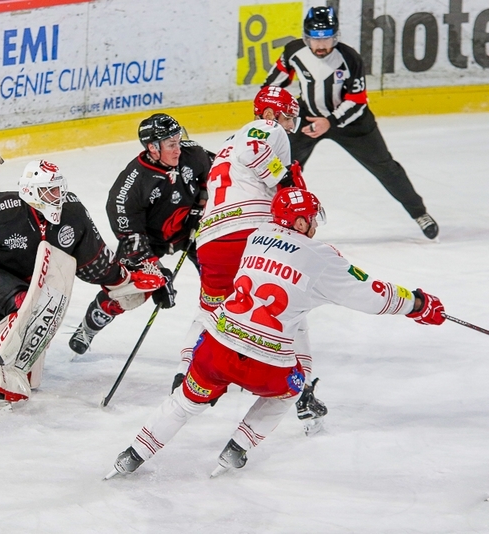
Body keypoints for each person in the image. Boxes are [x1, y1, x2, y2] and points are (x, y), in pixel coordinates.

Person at [106, 187, 445, 479]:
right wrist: (417, 304)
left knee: (183, 403)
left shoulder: (257, 236)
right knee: (291, 389)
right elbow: (373, 296)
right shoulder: (322, 257)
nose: (314, 224)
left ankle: (132, 455)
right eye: (311, 218)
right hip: (265, 365)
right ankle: (239, 446)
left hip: (215, 348)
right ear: (300, 222)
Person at [0, 159, 162, 407]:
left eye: (59, 189)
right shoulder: (2, 210)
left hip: (20, 281)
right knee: (28, 307)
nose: (56, 196)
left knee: (26, 367)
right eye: (49, 191)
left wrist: (125, 280)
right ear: (29, 192)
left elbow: (94, 261)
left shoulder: (72, 213)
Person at [174, 85, 328, 435]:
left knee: (211, 308)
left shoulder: (228, 144)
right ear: (270, 114)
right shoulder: (265, 130)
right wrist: (286, 180)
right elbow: (255, 151)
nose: (289, 125)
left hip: (212, 240)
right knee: (289, 309)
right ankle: (302, 394)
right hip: (252, 233)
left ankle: (186, 375)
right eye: (286, 117)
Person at [263, 6, 439, 240]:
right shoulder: (293, 51)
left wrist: (330, 122)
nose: (321, 45)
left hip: (352, 123)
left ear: (335, 36)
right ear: (306, 38)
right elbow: (271, 87)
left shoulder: (349, 58)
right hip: (306, 118)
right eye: (316, 39)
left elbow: (357, 101)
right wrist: (273, 109)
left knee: (386, 167)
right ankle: (281, 223)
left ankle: (420, 213)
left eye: (327, 38)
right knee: (284, 170)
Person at [68, 113, 213, 354]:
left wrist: (202, 203)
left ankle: (225, 335)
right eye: (171, 144)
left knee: (219, 275)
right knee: (130, 290)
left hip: (190, 229)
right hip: (148, 242)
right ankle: (88, 328)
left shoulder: (192, 154)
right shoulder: (128, 191)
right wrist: (157, 273)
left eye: (178, 140)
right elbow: (133, 240)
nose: (179, 149)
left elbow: (217, 173)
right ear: (153, 148)